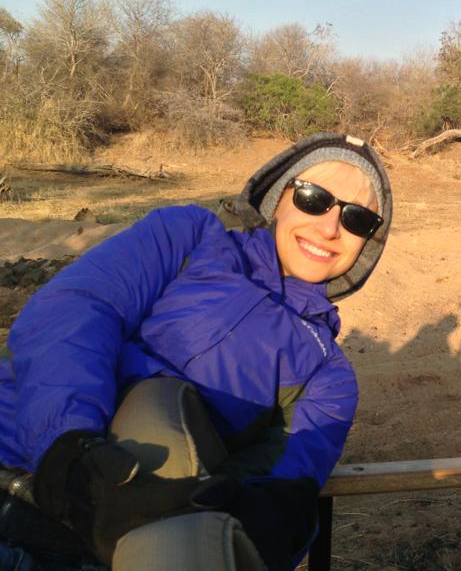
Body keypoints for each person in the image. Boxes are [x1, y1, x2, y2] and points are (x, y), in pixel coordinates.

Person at [0, 132, 392, 571]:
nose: (330, 227)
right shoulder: (187, 237)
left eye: (358, 219)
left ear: (366, 244)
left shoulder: (329, 378)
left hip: (111, 549)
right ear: (279, 197)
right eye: (313, 197)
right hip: (18, 470)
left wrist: (260, 521)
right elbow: (76, 310)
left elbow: (286, 482)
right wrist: (67, 449)